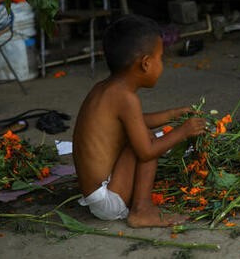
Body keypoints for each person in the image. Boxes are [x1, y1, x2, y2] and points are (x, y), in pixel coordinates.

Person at [72, 14, 206, 227]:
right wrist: (183, 131)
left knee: (139, 134)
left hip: (97, 194)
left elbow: (131, 122)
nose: (162, 64)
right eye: (160, 58)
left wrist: (173, 113)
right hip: (108, 200)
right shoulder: (126, 98)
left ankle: (138, 203)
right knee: (147, 141)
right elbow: (146, 152)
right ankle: (141, 210)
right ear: (145, 64)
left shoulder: (106, 88)